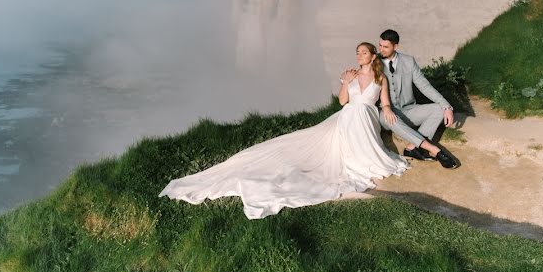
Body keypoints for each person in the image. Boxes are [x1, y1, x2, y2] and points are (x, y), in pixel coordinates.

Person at [158, 42, 409, 219]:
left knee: (365, 138)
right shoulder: (351, 75)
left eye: (363, 52)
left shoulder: (380, 79)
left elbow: (383, 101)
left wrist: (386, 110)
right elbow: (343, 101)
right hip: (348, 114)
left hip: (367, 115)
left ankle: (364, 156)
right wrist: (345, 82)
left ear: (373, 56)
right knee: (318, 143)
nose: (359, 55)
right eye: (357, 52)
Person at [367, 29, 459, 169]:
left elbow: (424, 86)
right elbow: (361, 77)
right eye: (380, 45)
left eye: (385, 47)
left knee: (438, 110)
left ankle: (412, 148)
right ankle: (435, 150)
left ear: (395, 46)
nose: (381, 49)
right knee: (392, 118)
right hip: (384, 113)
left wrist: (446, 106)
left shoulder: (408, 61)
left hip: (408, 110)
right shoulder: (375, 62)